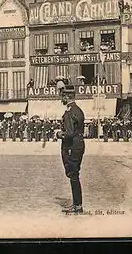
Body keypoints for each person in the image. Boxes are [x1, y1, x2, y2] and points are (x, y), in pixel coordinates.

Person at [56, 85, 86, 214]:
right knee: (74, 175)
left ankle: (78, 206)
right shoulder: (77, 109)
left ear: (67, 97)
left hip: (71, 147)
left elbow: (69, 132)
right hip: (78, 145)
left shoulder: (69, 112)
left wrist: (59, 134)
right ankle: (77, 205)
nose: (61, 99)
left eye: (62, 96)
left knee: (73, 175)